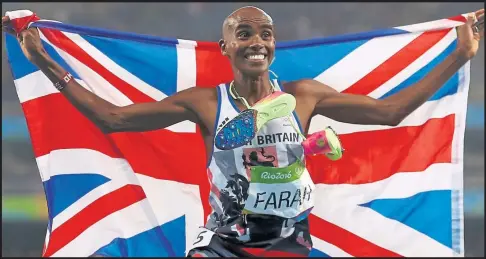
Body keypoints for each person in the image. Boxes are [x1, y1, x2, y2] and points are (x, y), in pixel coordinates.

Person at [2, 6, 484, 257]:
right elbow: (114, 119)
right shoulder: (206, 102)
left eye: (266, 33)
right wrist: (45, 61)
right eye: (245, 33)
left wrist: (459, 55)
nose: (257, 40)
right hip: (222, 248)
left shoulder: (304, 96)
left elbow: (390, 112)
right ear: (226, 46)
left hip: (290, 247)